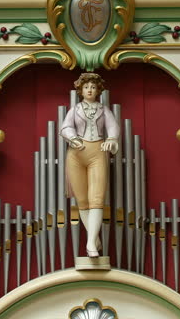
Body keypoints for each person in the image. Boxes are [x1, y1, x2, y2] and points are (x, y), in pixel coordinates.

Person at [60, 72, 120, 257]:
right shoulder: (75, 109)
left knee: (96, 199)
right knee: (82, 201)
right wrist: (72, 137)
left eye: (93, 87)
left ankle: (90, 244)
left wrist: (111, 139)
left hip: (97, 153)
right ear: (81, 90)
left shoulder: (104, 110)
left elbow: (113, 127)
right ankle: (94, 237)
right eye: (86, 87)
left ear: (98, 90)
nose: (90, 90)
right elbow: (65, 127)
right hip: (76, 155)